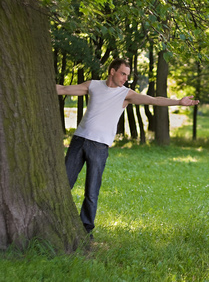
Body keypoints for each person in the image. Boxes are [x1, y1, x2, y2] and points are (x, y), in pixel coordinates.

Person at [56, 58, 199, 237]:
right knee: (63, 183)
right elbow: (62, 89)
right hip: (79, 141)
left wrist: (178, 102)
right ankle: (54, 221)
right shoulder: (93, 85)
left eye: (127, 75)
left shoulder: (125, 94)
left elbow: (154, 100)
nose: (125, 78)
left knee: (91, 191)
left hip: (99, 147)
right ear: (112, 71)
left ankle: (86, 230)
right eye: (123, 73)